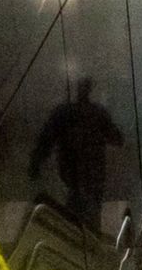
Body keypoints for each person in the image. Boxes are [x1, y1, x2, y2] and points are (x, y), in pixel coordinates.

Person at [29, 77, 124, 227]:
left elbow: (46, 139)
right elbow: (117, 139)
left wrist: (36, 162)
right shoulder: (97, 113)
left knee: (75, 206)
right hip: (93, 172)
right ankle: (91, 239)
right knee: (91, 208)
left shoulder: (63, 113)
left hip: (71, 171)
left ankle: (77, 237)